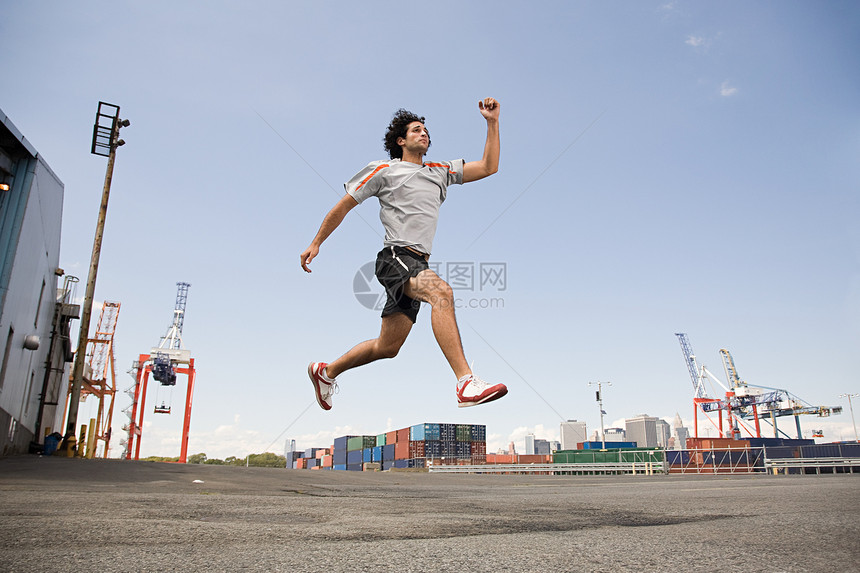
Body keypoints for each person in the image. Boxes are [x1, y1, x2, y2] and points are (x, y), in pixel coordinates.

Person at [300, 97, 508, 411]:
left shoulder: (441, 171)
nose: (424, 134)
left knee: (388, 346)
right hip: (395, 257)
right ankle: (465, 382)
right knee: (442, 293)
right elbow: (343, 206)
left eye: (426, 130)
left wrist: (492, 122)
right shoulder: (384, 170)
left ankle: (326, 372)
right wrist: (317, 242)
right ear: (402, 140)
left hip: (418, 262)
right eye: (416, 130)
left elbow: (489, 167)